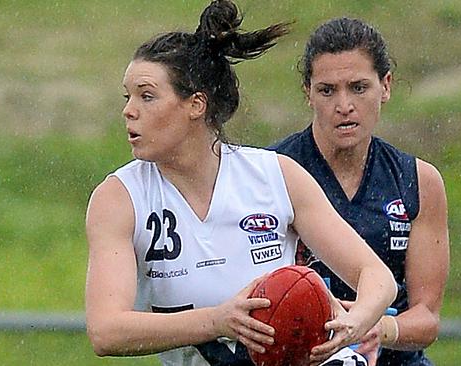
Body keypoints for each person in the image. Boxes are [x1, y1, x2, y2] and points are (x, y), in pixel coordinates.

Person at [84, 2, 397, 366]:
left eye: (147, 96)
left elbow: (377, 277)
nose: (129, 110)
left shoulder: (275, 175)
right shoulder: (119, 198)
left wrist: (354, 322)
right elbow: (106, 331)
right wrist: (218, 320)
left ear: (196, 105)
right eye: (128, 97)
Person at [271, 16, 450, 366]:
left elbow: (427, 318)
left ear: (385, 86)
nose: (343, 105)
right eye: (327, 90)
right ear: (307, 92)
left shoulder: (418, 180)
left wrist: (375, 328)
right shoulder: (270, 172)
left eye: (358, 87)